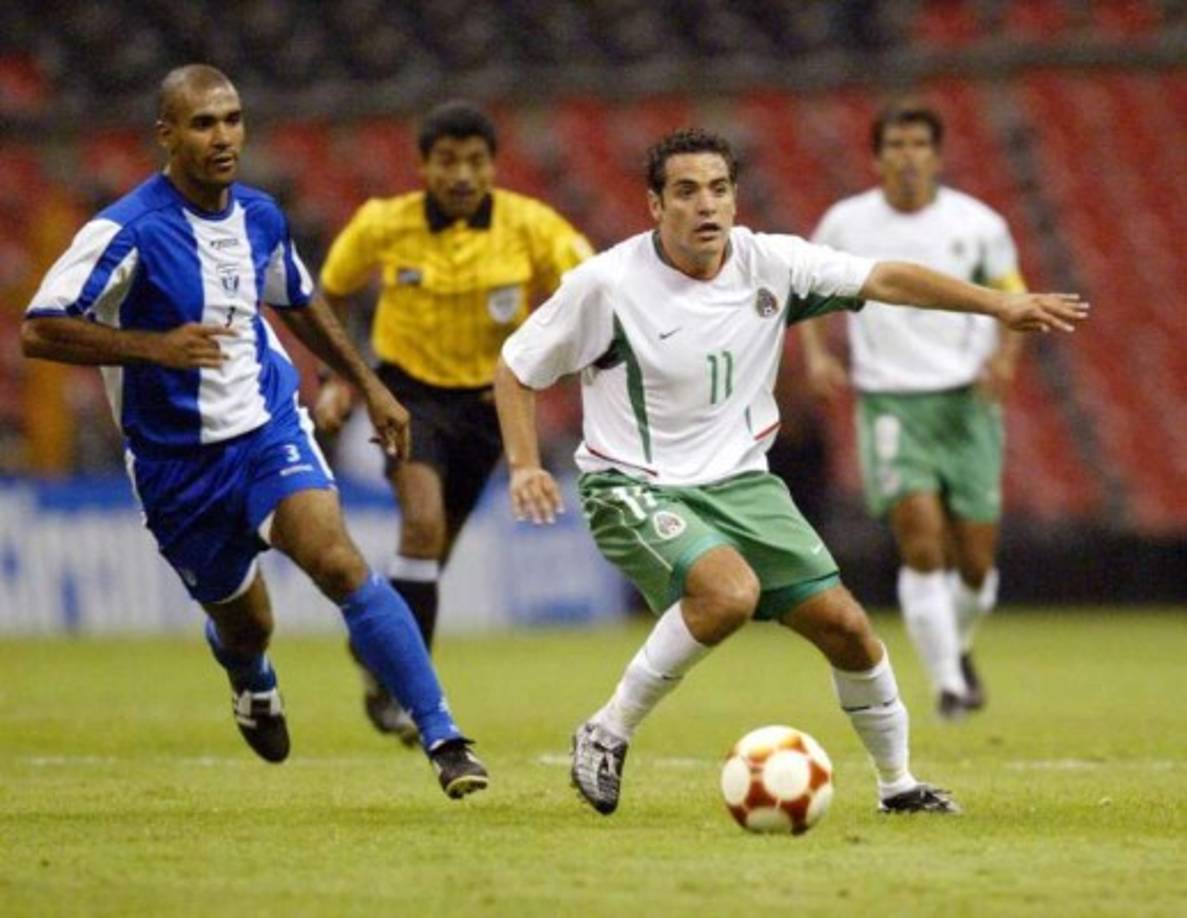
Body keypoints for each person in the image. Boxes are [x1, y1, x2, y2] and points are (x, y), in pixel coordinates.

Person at [493, 128, 1087, 816]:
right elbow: (516, 367)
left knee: (848, 630)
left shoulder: (769, 263)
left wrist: (996, 304)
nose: (705, 205)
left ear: (735, 197)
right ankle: (605, 731)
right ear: (654, 206)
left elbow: (884, 277)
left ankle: (897, 786)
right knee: (728, 594)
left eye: (718, 189)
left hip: (743, 485)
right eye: (684, 191)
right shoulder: (607, 284)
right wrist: (523, 464)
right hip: (633, 482)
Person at [19, 65, 488, 799]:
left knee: (338, 562)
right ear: (166, 135)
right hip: (177, 468)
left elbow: (297, 302)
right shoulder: (126, 230)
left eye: (232, 119)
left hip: (266, 428)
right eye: (203, 123)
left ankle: (444, 736)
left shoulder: (259, 216)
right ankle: (251, 679)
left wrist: (369, 388)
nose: (223, 136)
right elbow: (39, 330)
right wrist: (155, 347)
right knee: (247, 626)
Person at [313, 100, 592, 744]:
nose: (462, 175)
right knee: (423, 521)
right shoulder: (384, 224)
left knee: (433, 550)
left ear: (493, 165)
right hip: (406, 395)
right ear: (423, 166)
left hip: (491, 405)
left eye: (475, 161)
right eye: (447, 162)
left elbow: (591, 288)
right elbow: (326, 294)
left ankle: (378, 645)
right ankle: (415, 695)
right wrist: (337, 380)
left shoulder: (531, 226)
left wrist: (545, 365)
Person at [799, 104, 1028, 720]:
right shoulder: (845, 223)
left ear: (937, 154)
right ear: (876, 158)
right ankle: (949, 684)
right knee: (923, 546)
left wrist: (1004, 358)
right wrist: (818, 355)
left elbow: (1012, 295)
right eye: (895, 144)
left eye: (919, 143)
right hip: (891, 402)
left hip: (966, 404)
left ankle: (957, 645)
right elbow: (809, 290)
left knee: (976, 565)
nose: (907, 155)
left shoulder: (977, 224)